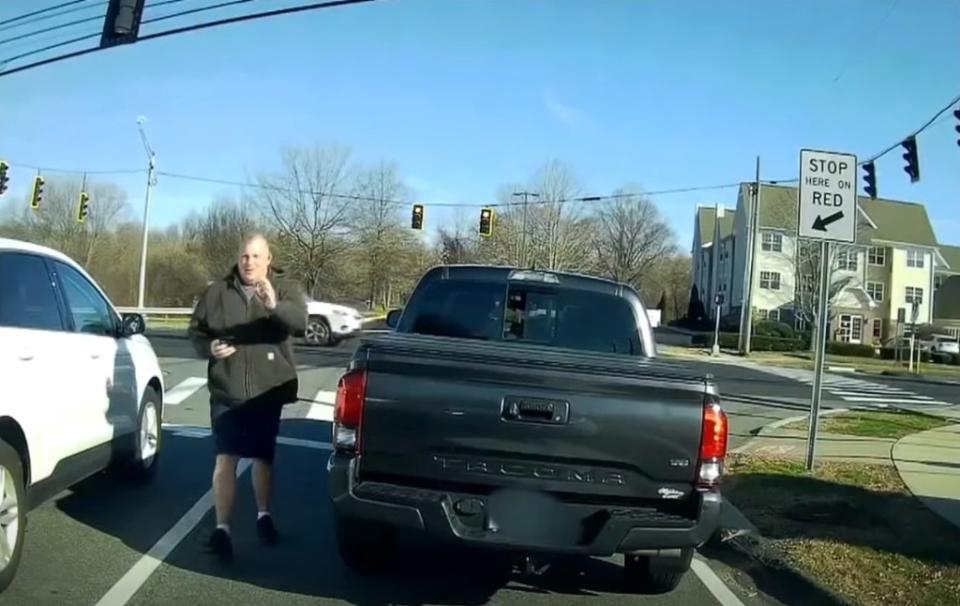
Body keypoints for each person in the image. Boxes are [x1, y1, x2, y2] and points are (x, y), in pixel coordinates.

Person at [188, 232, 307, 560]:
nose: (249, 262)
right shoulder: (217, 292)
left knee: (261, 458)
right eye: (244, 256)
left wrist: (273, 306)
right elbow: (196, 331)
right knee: (225, 457)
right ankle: (222, 530)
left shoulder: (285, 289)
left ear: (268, 260)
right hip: (226, 389)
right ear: (238, 258)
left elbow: (300, 322)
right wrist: (209, 347)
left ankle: (264, 515)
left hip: (266, 389)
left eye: (256, 257)